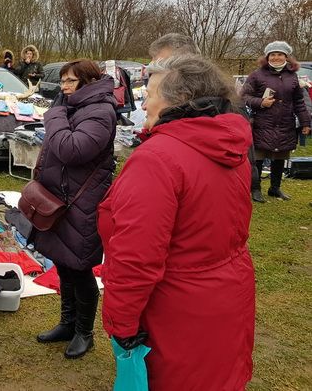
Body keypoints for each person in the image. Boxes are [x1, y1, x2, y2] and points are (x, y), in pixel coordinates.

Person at [98, 55, 255, 390]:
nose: (144, 102)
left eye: (150, 93)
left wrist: (121, 324)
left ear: (177, 100)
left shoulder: (158, 159)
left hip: (174, 310)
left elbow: (136, 257)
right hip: (226, 296)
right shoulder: (231, 145)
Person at [31, 59, 117, 359]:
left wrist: (54, 115)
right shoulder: (75, 107)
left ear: (88, 82)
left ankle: (84, 332)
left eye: (70, 81)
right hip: (62, 198)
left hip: (83, 202)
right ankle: (67, 323)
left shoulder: (100, 111)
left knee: (79, 269)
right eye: (63, 81)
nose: (64, 87)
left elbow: (71, 149)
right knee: (63, 263)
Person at [149, 33, 265, 203]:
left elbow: (238, 151)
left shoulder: (223, 101)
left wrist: (252, 184)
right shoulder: (175, 100)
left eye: (163, 62)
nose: (156, 69)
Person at [242, 41, 311, 200]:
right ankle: (256, 189)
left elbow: (299, 102)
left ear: (286, 56)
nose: (276, 57)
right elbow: (243, 96)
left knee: (280, 157)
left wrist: (306, 123)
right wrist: (260, 102)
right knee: (258, 157)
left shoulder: (293, 76)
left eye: (280, 54)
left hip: (285, 123)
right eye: (273, 54)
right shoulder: (256, 75)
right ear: (267, 57)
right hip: (261, 123)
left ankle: (275, 188)